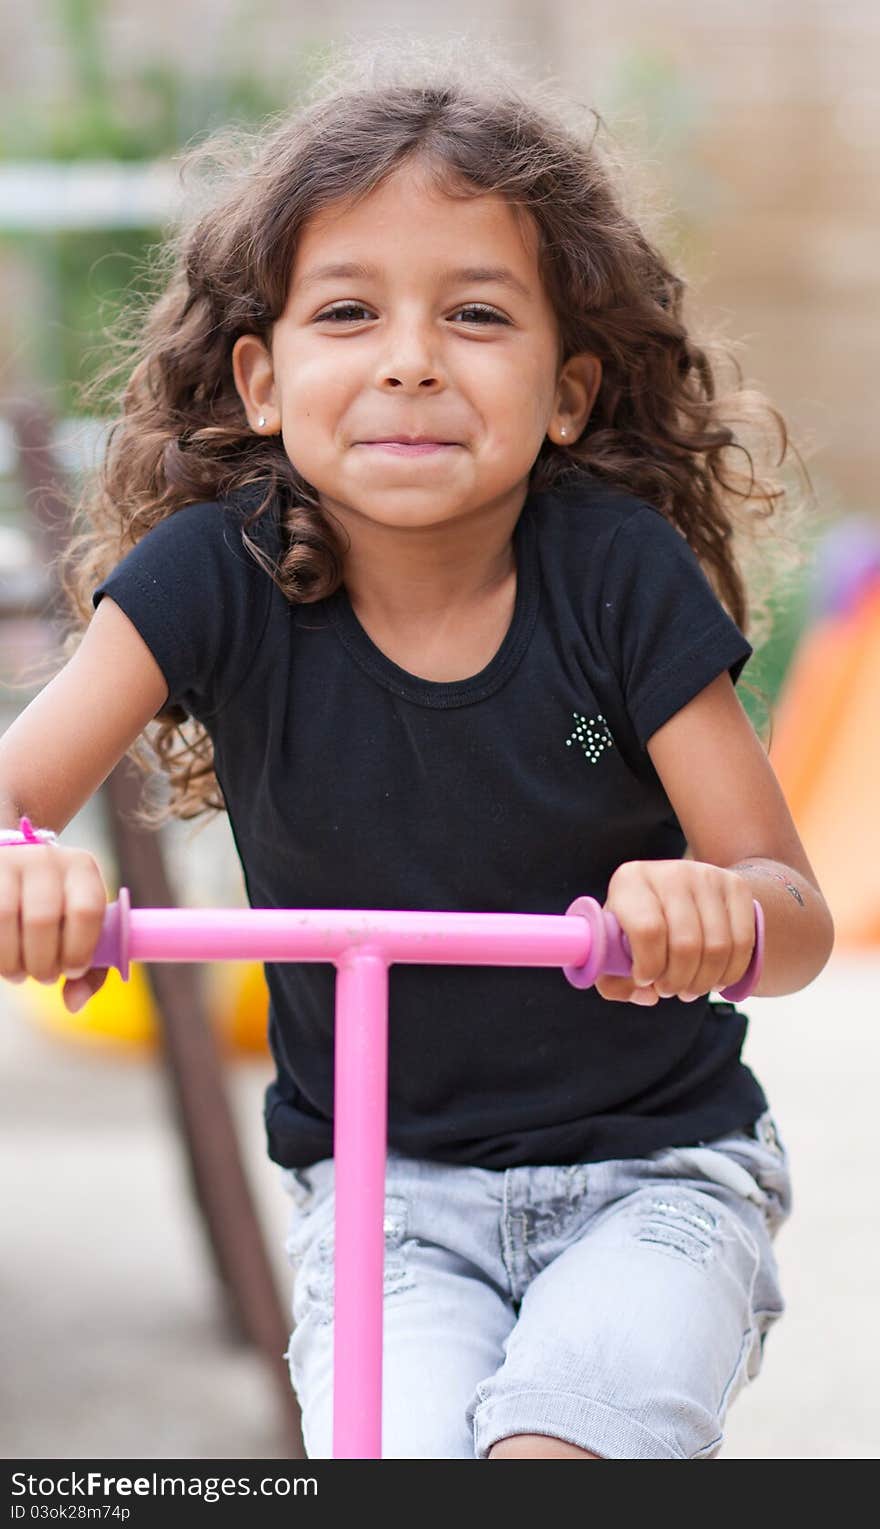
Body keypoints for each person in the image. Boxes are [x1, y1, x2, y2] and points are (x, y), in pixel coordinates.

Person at [0, 40, 834, 1460]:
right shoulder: (211, 577)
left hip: (653, 1169)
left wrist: (715, 907)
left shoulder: (619, 583)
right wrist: (30, 872)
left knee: (558, 1451)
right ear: (262, 379)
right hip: (386, 1196)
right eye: (347, 311)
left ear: (566, 394)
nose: (407, 359)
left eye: (475, 317)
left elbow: (793, 908)